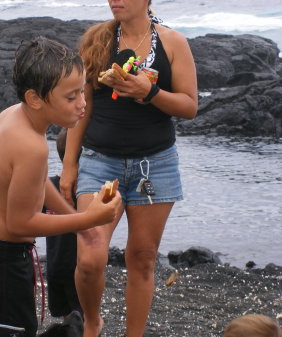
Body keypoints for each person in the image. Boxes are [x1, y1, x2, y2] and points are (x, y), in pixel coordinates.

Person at [0, 36, 122, 337]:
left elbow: (36, 183)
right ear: (35, 98)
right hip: (0, 261)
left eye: (82, 92)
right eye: (70, 98)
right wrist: (91, 218)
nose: (83, 104)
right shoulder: (32, 147)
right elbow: (19, 222)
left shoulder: (14, 116)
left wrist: (76, 223)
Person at [59, 0, 198, 336]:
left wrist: (148, 91)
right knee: (91, 259)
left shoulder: (173, 43)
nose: (115, 0)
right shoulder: (97, 41)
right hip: (99, 161)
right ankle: (93, 322)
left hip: (155, 164)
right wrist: (68, 166)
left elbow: (189, 106)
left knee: (143, 258)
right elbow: (83, 105)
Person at [43, 128, 82, 319]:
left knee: (69, 316)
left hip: (54, 264)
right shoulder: (88, 191)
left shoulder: (48, 186)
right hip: (75, 267)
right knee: (82, 316)